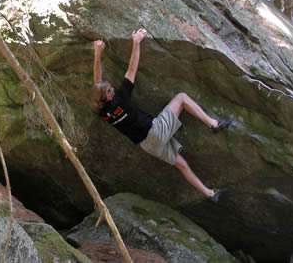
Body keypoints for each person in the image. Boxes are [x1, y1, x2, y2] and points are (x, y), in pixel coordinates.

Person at [92, 28, 232, 203]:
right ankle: (213, 124)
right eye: (111, 88)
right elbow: (132, 69)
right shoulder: (121, 98)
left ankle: (210, 194)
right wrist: (136, 42)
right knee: (181, 98)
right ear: (110, 95)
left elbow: (97, 84)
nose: (113, 87)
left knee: (182, 165)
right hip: (155, 131)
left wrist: (97, 55)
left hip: (148, 146)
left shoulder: (101, 110)